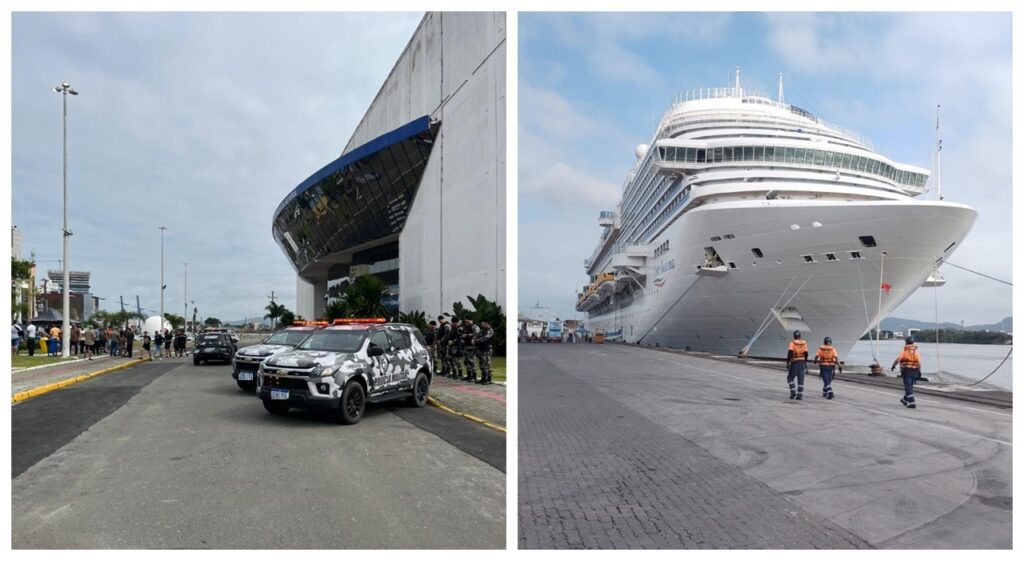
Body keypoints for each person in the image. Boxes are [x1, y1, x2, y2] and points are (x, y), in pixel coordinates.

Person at [891, 336, 922, 409]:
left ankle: (912, 402)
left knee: (908, 387)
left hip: (907, 371)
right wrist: (919, 371)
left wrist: (893, 365)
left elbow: (898, 359)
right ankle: (905, 400)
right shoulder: (916, 352)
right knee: (910, 386)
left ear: (906, 342)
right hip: (915, 371)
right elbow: (919, 363)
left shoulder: (904, 351)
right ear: (913, 342)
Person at [786, 330, 808, 400]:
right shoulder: (804, 343)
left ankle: (793, 392)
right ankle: (800, 396)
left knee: (790, 378)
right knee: (801, 380)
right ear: (800, 336)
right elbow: (806, 353)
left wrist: (788, 362)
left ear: (794, 336)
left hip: (795, 362)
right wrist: (805, 362)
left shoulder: (792, 343)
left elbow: (790, 352)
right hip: (802, 362)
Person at [474, 319, 495, 385]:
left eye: (483, 323)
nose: (482, 324)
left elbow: (485, 338)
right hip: (481, 349)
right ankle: (483, 378)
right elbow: (478, 336)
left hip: (487, 349)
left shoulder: (490, 330)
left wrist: (476, 341)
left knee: (486, 364)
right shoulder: (482, 330)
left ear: (486, 323)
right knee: (482, 364)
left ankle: (488, 379)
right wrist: (475, 339)